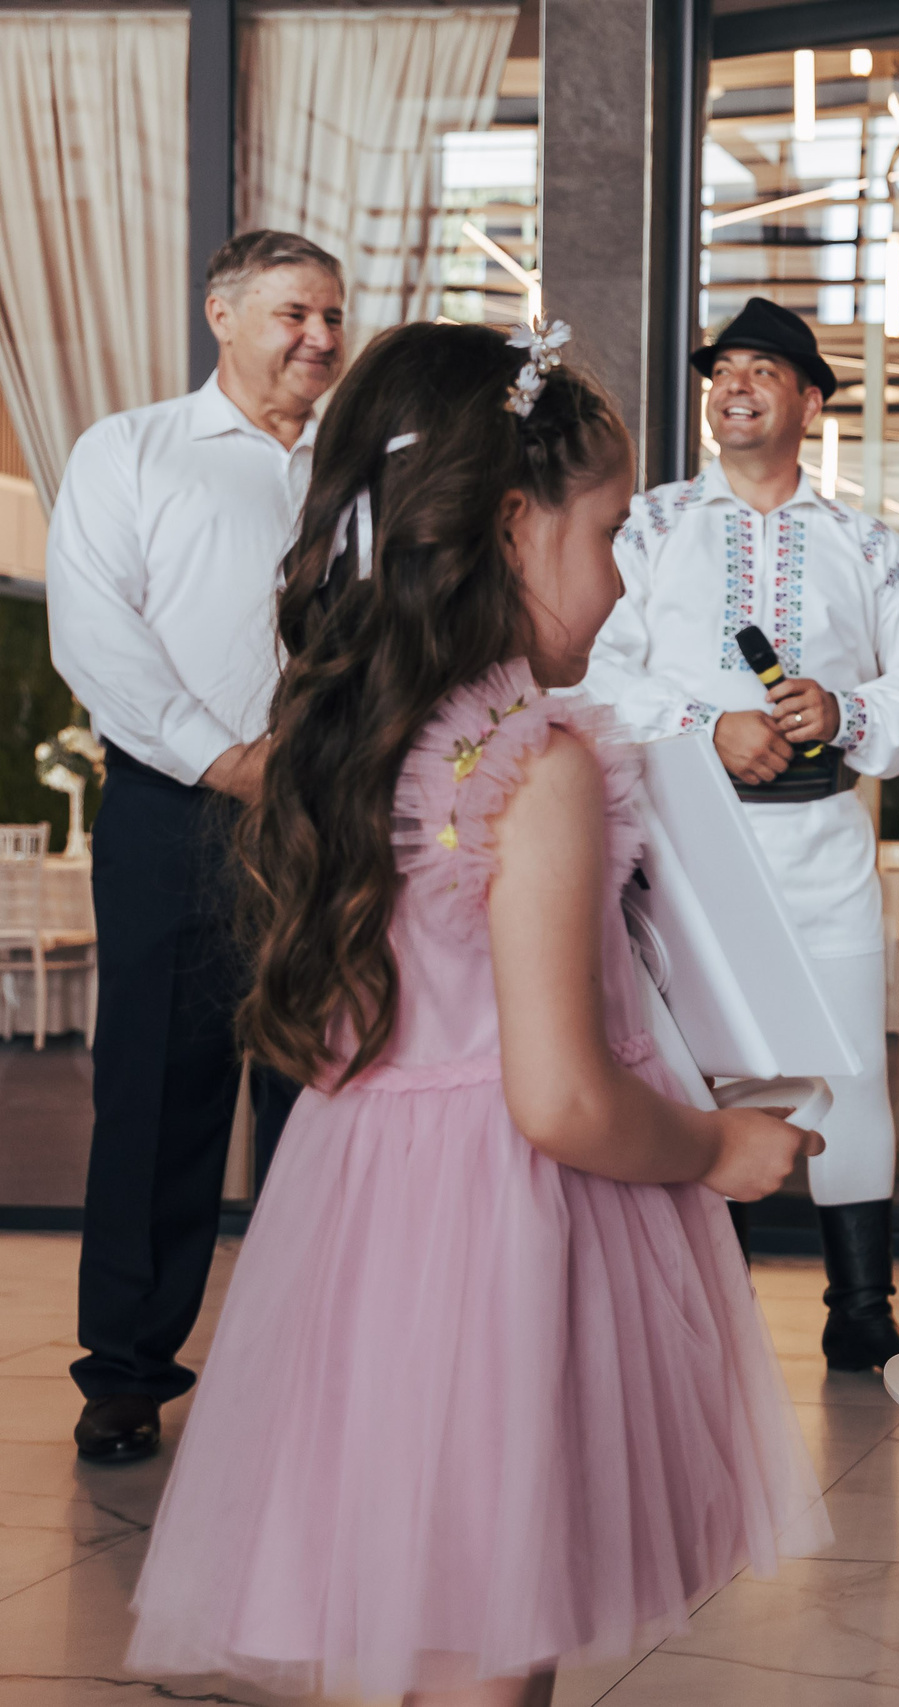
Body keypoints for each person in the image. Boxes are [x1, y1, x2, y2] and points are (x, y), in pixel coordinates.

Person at [123, 322, 827, 1704]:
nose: (625, 583)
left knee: (404, 1599)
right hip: (510, 1233)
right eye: (612, 532)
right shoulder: (533, 765)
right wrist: (717, 1145)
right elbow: (557, 1095)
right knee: (491, 1637)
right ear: (514, 524)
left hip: (363, 1230)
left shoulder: (357, 736)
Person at [583, 297, 899, 1370]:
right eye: (723, 371)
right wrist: (709, 727)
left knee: (843, 1068)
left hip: (825, 840)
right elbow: (598, 670)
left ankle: (862, 1303)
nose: (734, 386)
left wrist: (848, 713)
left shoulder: (864, 543)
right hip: (687, 845)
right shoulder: (647, 527)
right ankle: (711, 1295)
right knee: (703, 1072)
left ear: (810, 399)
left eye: (763, 370)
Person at [44, 229, 345, 1465]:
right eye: (293, 313)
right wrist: (221, 756)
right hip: (176, 814)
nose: (320, 337)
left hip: (331, 818)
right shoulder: (130, 450)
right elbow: (93, 629)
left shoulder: (369, 466)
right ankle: (124, 1372)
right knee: (157, 1097)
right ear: (220, 313)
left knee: (316, 1095)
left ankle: (299, 1367)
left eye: (332, 315)